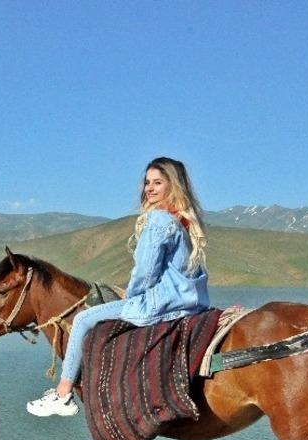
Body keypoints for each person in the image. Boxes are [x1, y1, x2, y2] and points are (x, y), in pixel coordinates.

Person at [26, 156, 211, 417]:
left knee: (82, 320)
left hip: (162, 304)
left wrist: (131, 297)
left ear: (174, 185)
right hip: (192, 303)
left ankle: (63, 393)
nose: (150, 188)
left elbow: (145, 273)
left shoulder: (159, 220)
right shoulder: (186, 220)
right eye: (147, 182)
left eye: (158, 182)